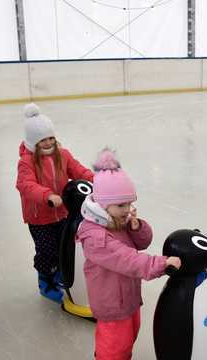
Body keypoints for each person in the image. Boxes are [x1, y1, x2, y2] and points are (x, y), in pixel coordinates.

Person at [78, 149, 181, 360]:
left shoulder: (116, 220)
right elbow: (127, 258)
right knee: (114, 349)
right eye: (121, 205)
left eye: (129, 203)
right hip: (112, 304)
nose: (128, 209)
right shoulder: (95, 236)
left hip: (128, 297)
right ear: (104, 204)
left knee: (129, 338)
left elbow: (143, 242)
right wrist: (161, 264)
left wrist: (136, 227)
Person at [15, 103, 94, 303]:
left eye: (51, 137)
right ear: (33, 142)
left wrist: (97, 179)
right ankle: (45, 280)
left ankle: (58, 272)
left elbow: (78, 171)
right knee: (46, 250)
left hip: (63, 213)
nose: (48, 142)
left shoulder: (63, 155)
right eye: (42, 140)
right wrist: (48, 196)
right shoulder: (27, 161)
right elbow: (25, 185)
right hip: (39, 217)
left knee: (63, 246)